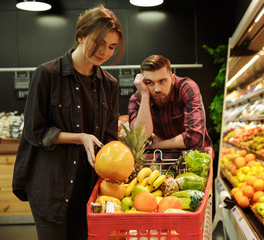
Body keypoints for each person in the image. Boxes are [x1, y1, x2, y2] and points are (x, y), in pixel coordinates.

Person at [12, 5, 124, 240]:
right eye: (99, 42)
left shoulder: (110, 85)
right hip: (51, 188)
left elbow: (109, 138)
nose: (105, 52)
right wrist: (79, 137)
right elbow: (35, 131)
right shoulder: (47, 74)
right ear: (81, 36)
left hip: (89, 190)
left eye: (112, 46)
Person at [128, 55, 214, 158]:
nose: (157, 89)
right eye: (149, 82)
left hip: (197, 157)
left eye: (162, 81)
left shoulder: (186, 88)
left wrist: (155, 146)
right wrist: (145, 96)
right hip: (166, 156)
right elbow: (140, 142)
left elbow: (194, 138)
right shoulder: (138, 99)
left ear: (172, 78)